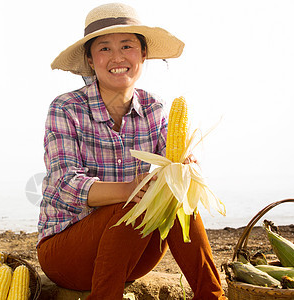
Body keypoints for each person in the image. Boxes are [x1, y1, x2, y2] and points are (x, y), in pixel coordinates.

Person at [37, 3, 227, 299]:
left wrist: (186, 166)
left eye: (127, 46)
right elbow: (65, 185)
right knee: (135, 203)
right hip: (67, 253)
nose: (117, 58)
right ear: (90, 59)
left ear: (143, 54)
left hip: (131, 254)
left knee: (174, 197)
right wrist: (131, 189)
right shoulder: (65, 108)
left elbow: (172, 164)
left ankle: (212, 296)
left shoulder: (154, 108)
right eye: (104, 49)